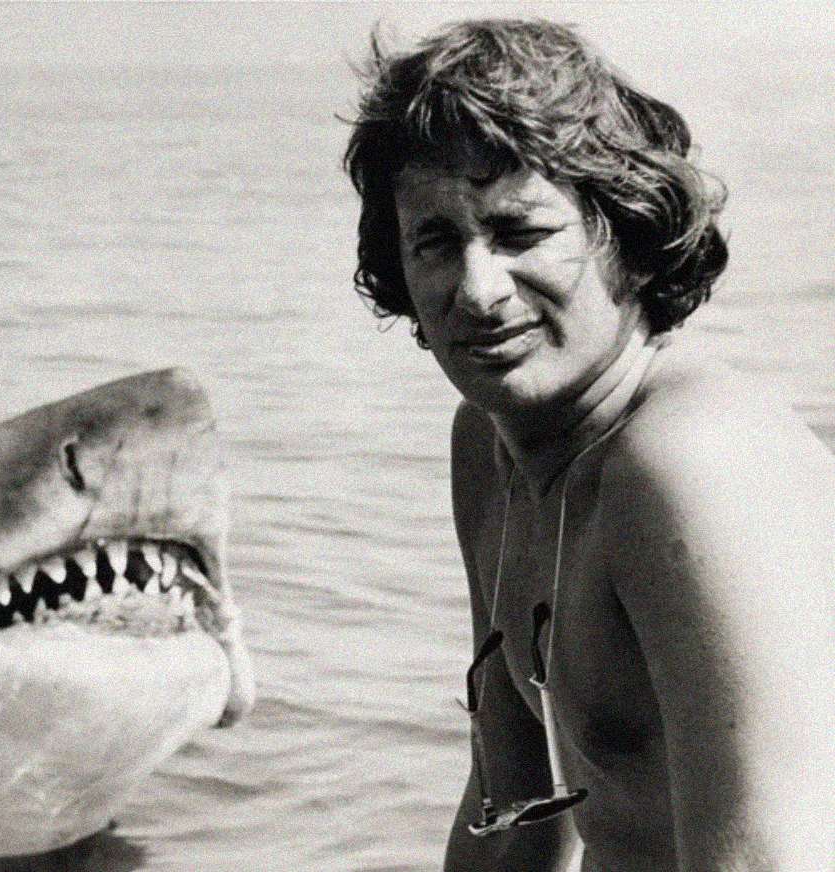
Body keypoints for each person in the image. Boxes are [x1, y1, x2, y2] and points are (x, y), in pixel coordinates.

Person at [343, 18, 834, 872]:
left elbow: (769, 860)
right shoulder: (495, 449)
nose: (477, 288)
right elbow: (513, 815)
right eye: (435, 241)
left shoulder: (688, 461)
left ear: (627, 236)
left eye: (520, 233)